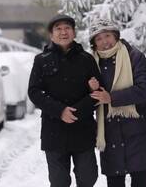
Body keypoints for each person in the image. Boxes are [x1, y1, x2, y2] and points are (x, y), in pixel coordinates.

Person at [87, 18, 146, 187]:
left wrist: (112, 98)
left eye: (107, 35)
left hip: (139, 130)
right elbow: (88, 99)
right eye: (98, 39)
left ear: (115, 35)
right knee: (114, 182)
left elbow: (143, 89)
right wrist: (91, 90)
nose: (104, 42)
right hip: (110, 134)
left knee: (140, 179)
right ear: (94, 44)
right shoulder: (91, 63)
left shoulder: (134, 56)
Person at [28, 14, 100, 187]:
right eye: (58, 29)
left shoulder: (87, 59)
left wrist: (77, 110)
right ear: (51, 35)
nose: (63, 32)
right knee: (59, 181)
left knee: (88, 178)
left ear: (74, 33)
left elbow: (98, 92)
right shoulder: (41, 60)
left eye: (67, 28)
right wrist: (60, 111)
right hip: (54, 131)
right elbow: (34, 92)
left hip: (83, 129)